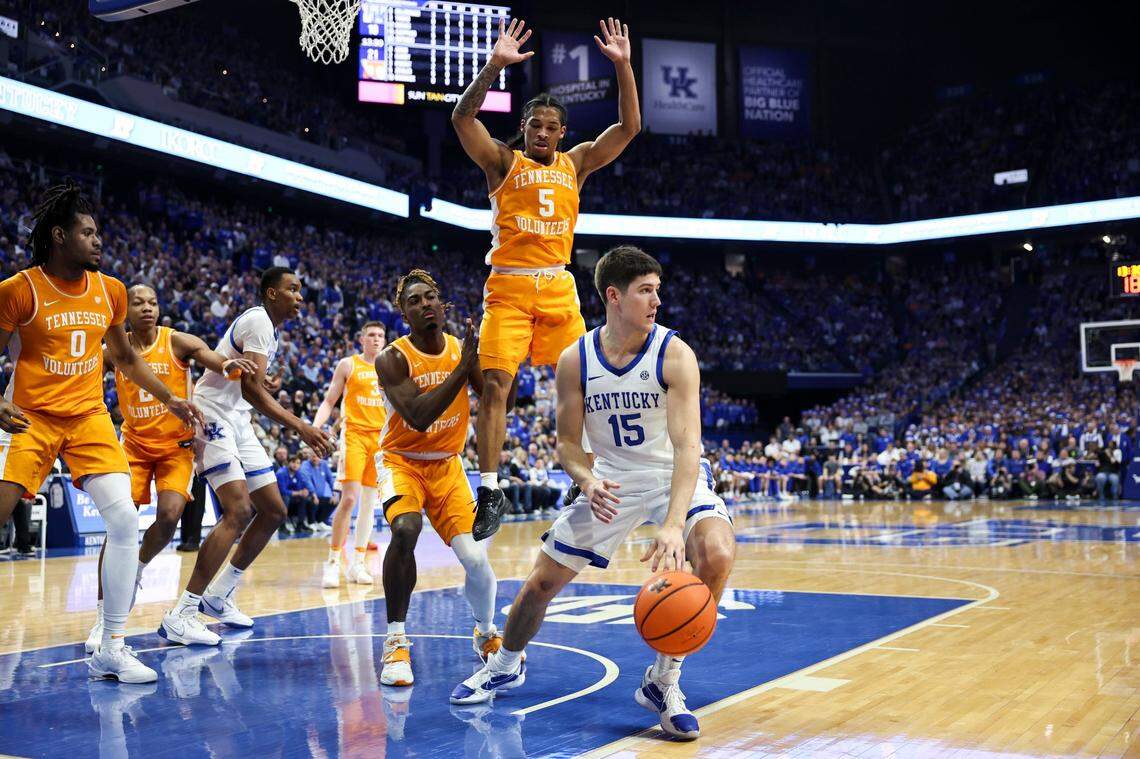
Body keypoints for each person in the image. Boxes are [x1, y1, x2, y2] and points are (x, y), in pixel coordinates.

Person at [450, 246, 736, 742]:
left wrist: (673, 525)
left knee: (716, 553)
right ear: (613, 296)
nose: (657, 301)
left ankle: (664, 680)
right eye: (645, 291)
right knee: (540, 584)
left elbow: (689, 446)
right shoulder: (575, 359)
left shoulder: (675, 354)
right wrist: (586, 480)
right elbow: (567, 444)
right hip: (611, 480)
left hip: (671, 475)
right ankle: (506, 664)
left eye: (657, 291)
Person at [0, 182, 202, 683]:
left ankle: (111, 644)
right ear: (59, 236)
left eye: (98, 233)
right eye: (87, 233)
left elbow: (127, 358)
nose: (98, 241)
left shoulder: (110, 290)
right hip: (30, 416)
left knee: (126, 522)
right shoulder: (19, 289)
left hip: (89, 417)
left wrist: (170, 397)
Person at [451, 16, 641, 540]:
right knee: (495, 385)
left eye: (549, 127)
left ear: (561, 133)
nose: (540, 132)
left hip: (557, 285)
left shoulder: (575, 165)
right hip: (508, 287)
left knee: (584, 382)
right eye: (534, 124)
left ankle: (585, 478)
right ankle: (490, 490)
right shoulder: (502, 162)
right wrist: (494, 65)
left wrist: (624, 67)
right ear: (525, 126)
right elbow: (462, 119)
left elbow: (629, 128)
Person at [158, 267, 334, 646]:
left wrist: (262, 382)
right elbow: (252, 391)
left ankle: (219, 595)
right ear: (271, 293)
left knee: (273, 510)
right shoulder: (258, 321)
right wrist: (300, 426)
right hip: (211, 413)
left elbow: (250, 385)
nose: (300, 297)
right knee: (238, 511)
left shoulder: (269, 329)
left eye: (300, 290)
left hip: (237, 417)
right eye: (292, 289)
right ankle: (182, 613)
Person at [86, 284, 256, 653]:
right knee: (119, 525)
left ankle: (135, 569)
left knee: (168, 517)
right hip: (133, 446)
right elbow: (85, 373)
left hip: (175, 448)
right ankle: (102, 616)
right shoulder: (114, 349)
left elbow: (210, 357)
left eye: (152, 302)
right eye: (138, 303)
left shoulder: (176, 341)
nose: (147, 308)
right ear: (126, 310)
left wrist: (226, 365)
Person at [372, 269, 504, 687]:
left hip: (447, 464)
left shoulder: (462, 349)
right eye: (414, 301)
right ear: (404, 315)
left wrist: (502, 354)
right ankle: (395, 641)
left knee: (475, 559)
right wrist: (464, 366)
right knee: (405, 529)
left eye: (430, 296)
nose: (424, 304)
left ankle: (485, 632)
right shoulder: (392, 358)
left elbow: (497, 398)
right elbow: (419, 416)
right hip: (402, 461)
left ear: (442, 304)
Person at [311, 322, 389, 588]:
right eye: (371, 335)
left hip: (381, 441)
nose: (376, 339)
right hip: (354, 436)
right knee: (350, 499)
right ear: (362, 339)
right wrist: (315, 428)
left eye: (380, 336)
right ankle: (333, 562)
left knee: (369, 504)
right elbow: (328, 401)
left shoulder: (390, 367)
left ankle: (358, 563)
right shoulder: (348, 364)